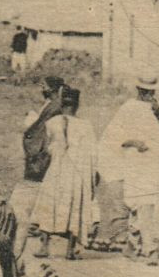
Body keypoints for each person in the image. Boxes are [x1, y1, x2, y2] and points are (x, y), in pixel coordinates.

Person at [98, 73, 159, 261]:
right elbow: (113, 137)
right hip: (137, 164)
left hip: (157, 164)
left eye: (151, 91)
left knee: (157, 205)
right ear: (138, 89)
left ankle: (133, 244)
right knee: (144, 203)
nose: (148, 94)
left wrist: (158, 115)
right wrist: (134, 142)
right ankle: (150, 249)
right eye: (145, 91)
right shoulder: (128, 109)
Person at [32, 86, 98, 259]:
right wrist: (92, 179)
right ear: (77, 105)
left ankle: (44, 246)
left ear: (61, 104)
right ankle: (70, 249)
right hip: (77, 176)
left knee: (49, 205)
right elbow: (92, 154)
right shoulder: (86, 126)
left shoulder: (52, 123)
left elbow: (45, 149)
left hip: (56, 172)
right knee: (74, 208)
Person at [12, 75, 66, 259]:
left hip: (46, 155)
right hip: (45, 154)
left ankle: (44, 241)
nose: (41, 88)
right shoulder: (51, 104)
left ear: (52, 88)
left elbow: (42, 131)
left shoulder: (55, 107)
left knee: (42, 199)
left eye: (44, 85)